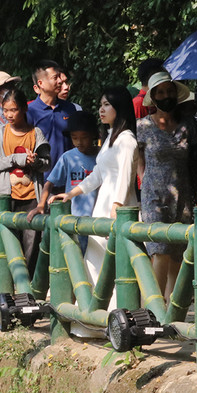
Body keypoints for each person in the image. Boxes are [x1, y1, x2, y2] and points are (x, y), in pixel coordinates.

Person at [54, 86, 138, 298]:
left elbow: (126, 177)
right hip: (102, 206)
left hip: (119, 208)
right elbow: (98, 174)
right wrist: (71, 194)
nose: (101, 110)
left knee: (117, 264)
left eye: (107, 105)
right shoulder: (110, 138)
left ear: (120, 107)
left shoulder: (126, 139)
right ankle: (91, 319)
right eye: (100, 105)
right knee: (94, 261)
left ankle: (117, 316)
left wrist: (117, 206)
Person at [136, 71, 194, 301]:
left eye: (170, 91)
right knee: (159, 250)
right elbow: (138, 161)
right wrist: (144, 184)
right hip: (153, 194)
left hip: (182, 193)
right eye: (160, 92)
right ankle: (151, 309)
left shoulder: (187, 127)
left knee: (178, 254)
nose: (166, 95)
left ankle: (173, 313)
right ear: (153, 96)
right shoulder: (142, 126)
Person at [0, 88, 50, 270]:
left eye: (13, 110)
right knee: (7, 242)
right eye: (5, 110)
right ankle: (9, 284)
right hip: (7, 195)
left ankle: (27, 288)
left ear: (24, 109)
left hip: (31, 197)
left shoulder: (35, 133)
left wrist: (36, 161)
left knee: (31, 246)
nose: (9, 115)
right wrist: (16, 159)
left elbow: (47, 163)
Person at [27, 111, 99, 253]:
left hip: (97, 217)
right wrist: (41, 205)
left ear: (93, 135)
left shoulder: (101, 156)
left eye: (84, 137)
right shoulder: (68, 157)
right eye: (74, 138)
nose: (79, 142)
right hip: (72, 219)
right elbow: (49, 182)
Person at [26, 60, 78, 173]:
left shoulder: (70, 109)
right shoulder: (29, 112)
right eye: (55, 78)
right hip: (40, 180)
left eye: (59, 77)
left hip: (67, 177)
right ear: (41, 83)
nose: (60, 81)